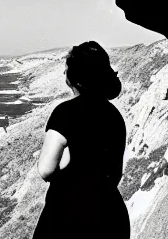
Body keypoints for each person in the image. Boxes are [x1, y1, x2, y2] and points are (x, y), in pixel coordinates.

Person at [32, 41, 130, 238]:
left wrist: (69, 165)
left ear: (74, 77)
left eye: (66, 69)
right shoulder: (115, 115)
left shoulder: (65, 112)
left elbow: (45, 169)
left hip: (70, 217)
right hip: (111, 216)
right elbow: (115, 174)